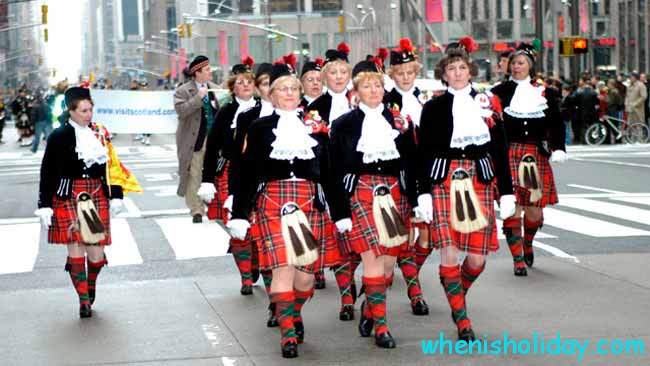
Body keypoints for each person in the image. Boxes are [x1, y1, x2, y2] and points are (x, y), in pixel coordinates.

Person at [228, 63, 337, 358]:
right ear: (272, 96)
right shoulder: (259, 128)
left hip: (308, 201)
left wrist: (341, 214)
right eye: (282, 89)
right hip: (272, 202)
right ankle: (287, 332)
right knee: (282, 269)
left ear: (300, 94)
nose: (288, 93)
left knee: (306, 277)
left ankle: (293, 310)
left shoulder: (316, 124)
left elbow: (329, 172)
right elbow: (246, 173)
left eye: (293, 88)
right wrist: (239, 212)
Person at [416, 37, 515, 342]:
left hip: (479, 180)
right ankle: (462, 320)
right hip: (444, 179)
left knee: (476, 260)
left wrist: (507, 192)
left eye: (462, 67)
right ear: (443, 74)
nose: (457, 73)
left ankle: (454, 288)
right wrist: (423, 193)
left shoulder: (487, 103)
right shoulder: (432, 107)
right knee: (448, 251)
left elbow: (499, 149)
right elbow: (424, 153)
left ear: (470, 71)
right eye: (451, 68)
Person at [329, 59, 419, 349]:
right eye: (367, 86)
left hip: (394, 194)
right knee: (372, 258)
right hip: (360, 194)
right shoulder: (343, 124)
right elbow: (335, 170)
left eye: (378, 85)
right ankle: (382, 326)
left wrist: (418, 200)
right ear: (356, 92)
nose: (373, 90)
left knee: (389, 263)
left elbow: (412, 163)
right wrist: (340, 210)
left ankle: (370, 307)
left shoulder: (398, 121)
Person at [33, 87, 131, 318]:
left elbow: (111, 166)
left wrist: (116, 194)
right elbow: (47, 172)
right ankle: (83, 300)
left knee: (96, 254)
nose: (89, 115)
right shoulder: (59, 136)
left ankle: (90, 283)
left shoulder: (99, 133)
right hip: (68, 196)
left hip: (94, 194)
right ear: (71, 111)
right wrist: (44, 204)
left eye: (90, 109)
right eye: (84, 110)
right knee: (76, 246)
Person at [491, 43, 567, 277]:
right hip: (509, 154)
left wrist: (558, 148)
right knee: (514, 208)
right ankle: (517, 260)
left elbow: (556, 123)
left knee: (534, 213)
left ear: (531, 66)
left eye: (521, 63)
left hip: (535, 155)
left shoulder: (546, 93)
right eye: (513, 63)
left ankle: (528, 243)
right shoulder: (499, 92)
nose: (516, 67)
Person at [306, 43, 359, 321]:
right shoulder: (315, 108)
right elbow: (315, 149)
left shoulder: (361, 101)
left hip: (360, 179)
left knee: (359, 242)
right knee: (339, 240)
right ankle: (347, 298)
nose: (338, 77)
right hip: (330, 180)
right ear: (324, 77)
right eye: (333, 72)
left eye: (343, 72)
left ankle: (366, 289)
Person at [198, 57, 258, 295]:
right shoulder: (226, 112)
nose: (245, 86)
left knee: (256, 225)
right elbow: (212, 148)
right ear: (233, 87)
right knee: (236, 224)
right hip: (229, 173)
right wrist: (207, 179)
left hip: (256, 174)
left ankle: (255, 262)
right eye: (240, 83)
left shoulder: (264, 108)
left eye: (249, 82)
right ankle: (245, 277)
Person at [382, 37, 430, 316]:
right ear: (392, 75)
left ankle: (411, 278)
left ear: (415, 71)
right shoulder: (386, 102)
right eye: (399, 73)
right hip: (399, 175)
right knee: (404, 239)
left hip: (426, 174)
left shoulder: (426, 99)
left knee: (427, 239)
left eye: (409, 72)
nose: (404, 77)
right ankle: (415, 292)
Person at [173, 55, 220, 223]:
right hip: (194, 140)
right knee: (194, 174)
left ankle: (215, 206)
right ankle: (196, 210)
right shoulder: (183, 90)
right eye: (207, 70)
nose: (210, 72)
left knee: (214, 173)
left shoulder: (215, 88)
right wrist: (198, 98)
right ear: (197, 72)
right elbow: (181, 111)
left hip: (214, 139)